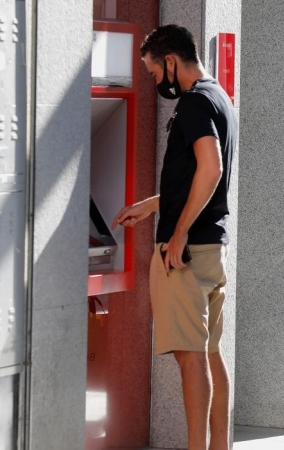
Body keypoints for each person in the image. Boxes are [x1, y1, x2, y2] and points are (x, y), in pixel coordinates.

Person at [112, 25, 237, 449]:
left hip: (186, 252)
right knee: (211, 352)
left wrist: (179, 233)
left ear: (170, 61)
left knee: (191, 357)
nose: (153, 80)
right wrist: (153, 205)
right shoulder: (220, 96)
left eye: (151, 71)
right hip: (212, 246)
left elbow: (211, 167)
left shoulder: (195, 103)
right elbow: (199, 179)